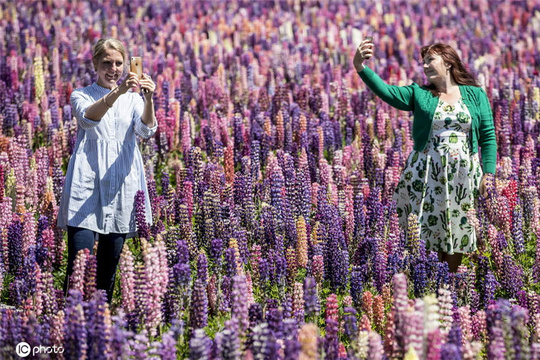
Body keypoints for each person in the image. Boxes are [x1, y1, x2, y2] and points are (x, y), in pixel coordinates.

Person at [353, 40, 497, 272]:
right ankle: (429, 282)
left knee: (457, 227)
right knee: (425, 229)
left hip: (462, 174)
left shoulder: (475, 94)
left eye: (431, 59)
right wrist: (360, 66)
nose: (426, 66)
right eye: (424, 62)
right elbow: (387, 92)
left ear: (448, 62)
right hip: (427, 172)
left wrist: (488, 173)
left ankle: (450, 283)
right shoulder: (419, 93)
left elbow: (488, 136)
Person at [58, 38, 157, 302]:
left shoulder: (133, 99)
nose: (113, 69)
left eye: (118, 63)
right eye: (107, 63)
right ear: (95, 64)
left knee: (108, 271)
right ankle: (71, 323)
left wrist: (148, 99)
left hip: (122, 185)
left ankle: (101, 326)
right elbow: (88, 120)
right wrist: (118, 91)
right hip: (87, 182)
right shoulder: (81, 94)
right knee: (79, 263)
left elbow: (146, 130)